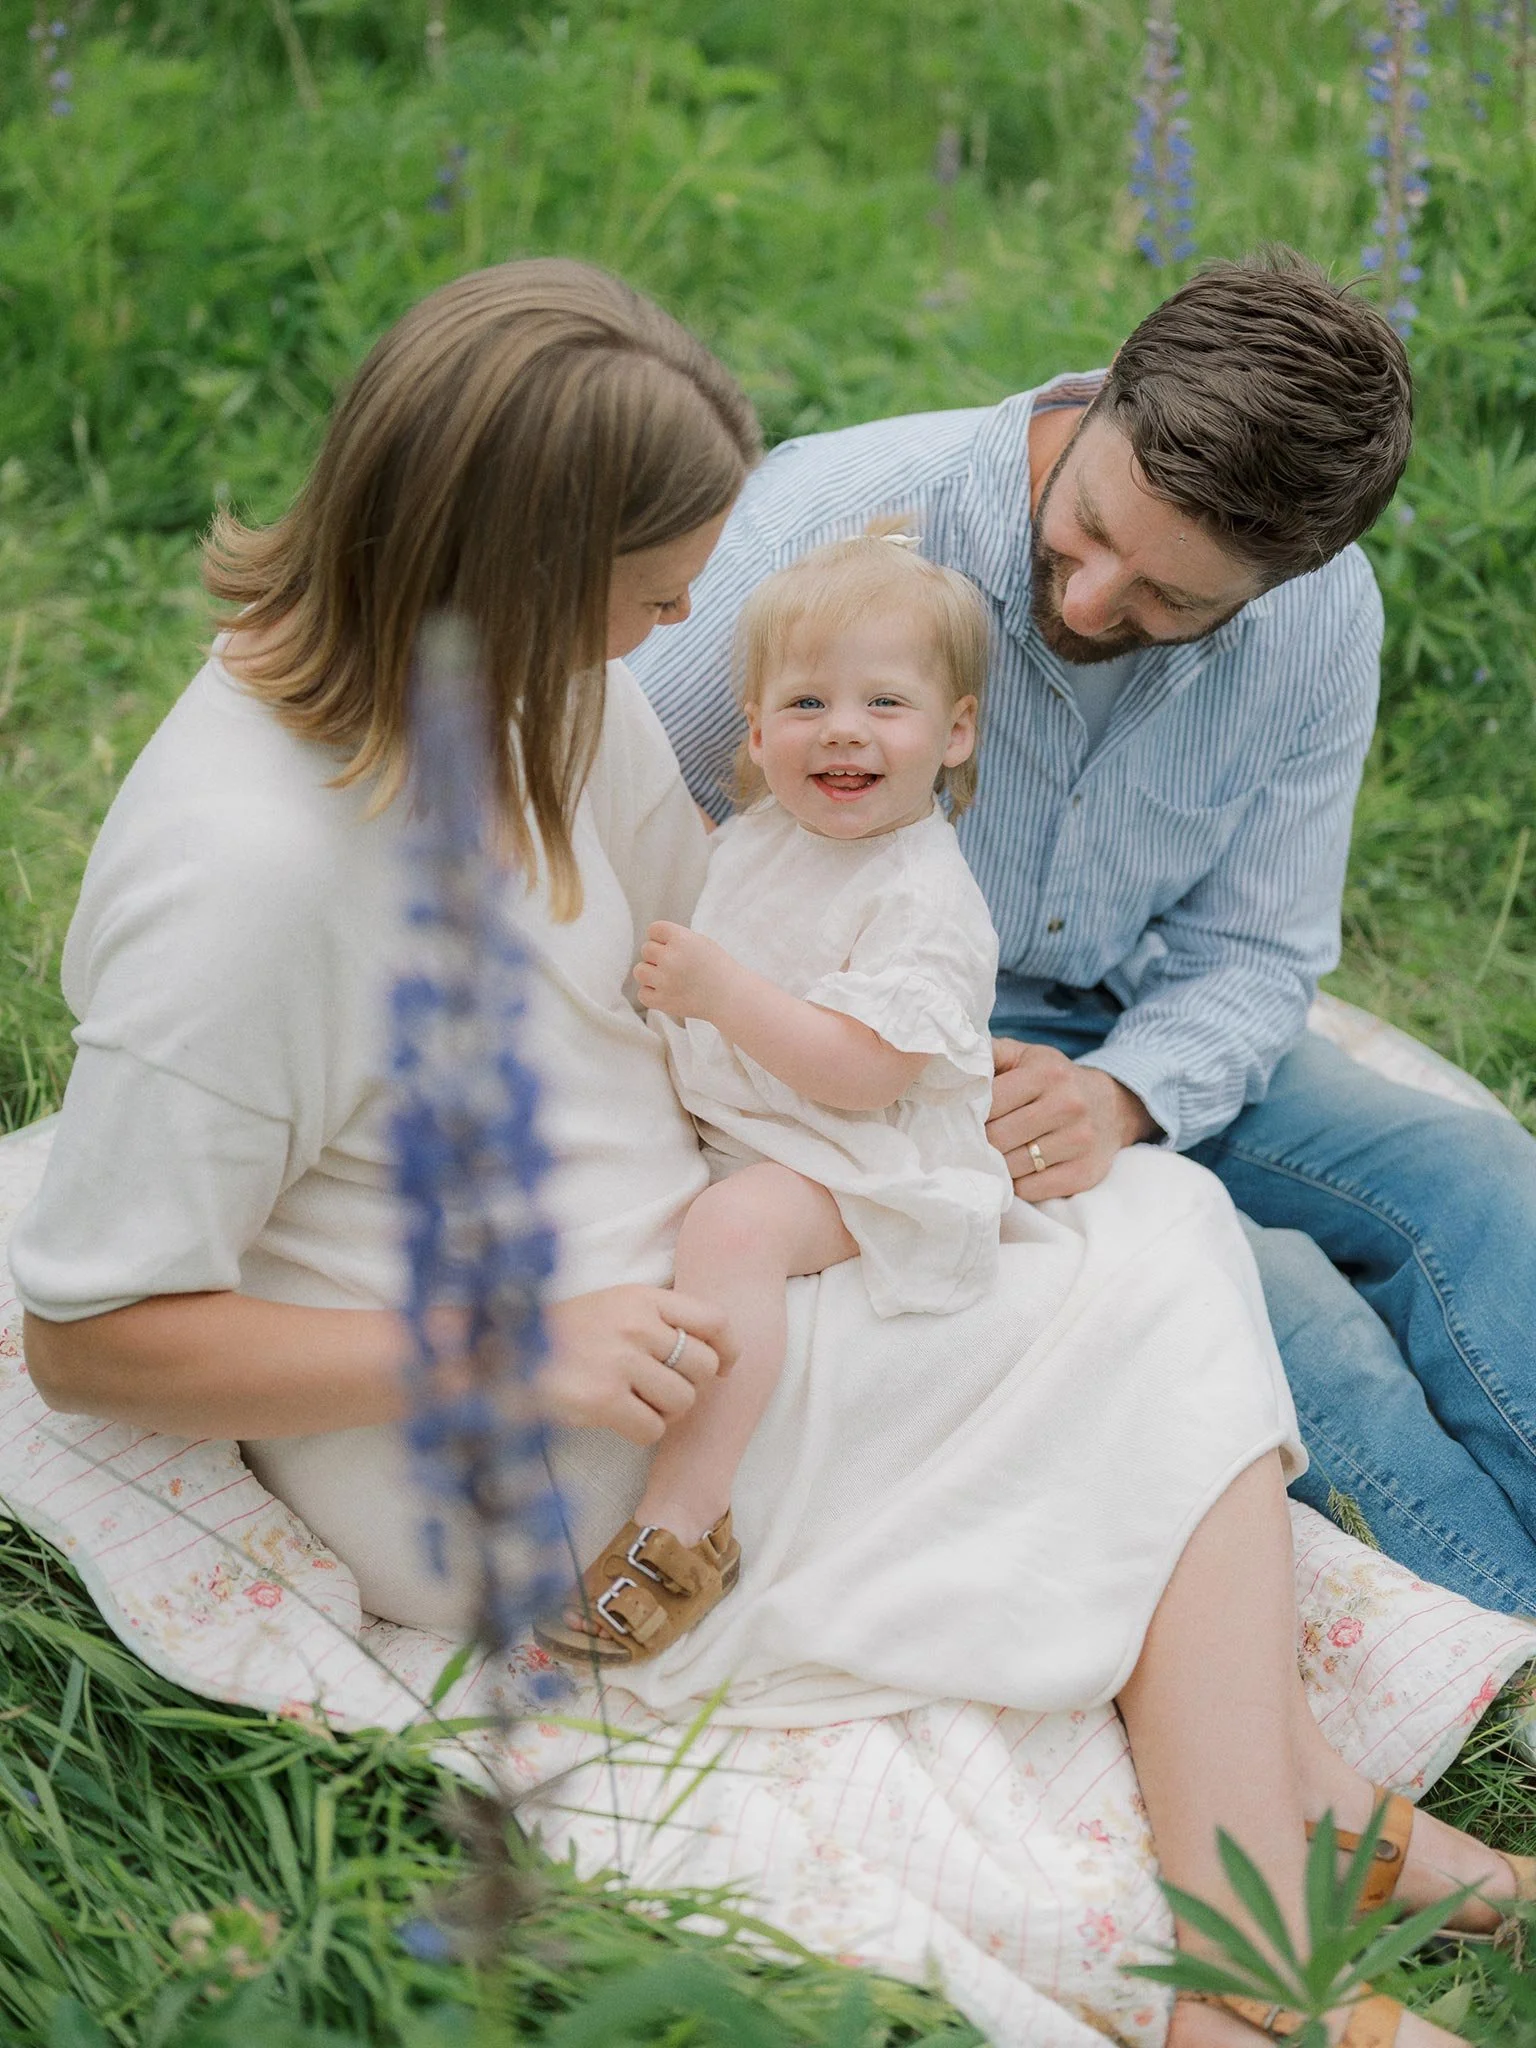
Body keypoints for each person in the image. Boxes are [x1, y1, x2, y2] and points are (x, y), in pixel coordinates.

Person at [3, 258, 1521, 2048]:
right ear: (518, 553)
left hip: (679, 1278)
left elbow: (711, 962)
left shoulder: (525, 686)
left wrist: (885, 1125)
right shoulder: (250, 874)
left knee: (1159, 1221)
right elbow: (88, 1339)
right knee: (1171, 1297)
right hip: (518, 1428)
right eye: (651, 594)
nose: (669, 639)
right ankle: (1256, 1987)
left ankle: (1297, 1823)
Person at [629, 247, 1536, 1620]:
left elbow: (1256, 954)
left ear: (1289, 573)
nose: (1097, 602)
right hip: (898, 1062)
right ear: (1107, 391)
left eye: (1173, 600)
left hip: (1130, 1028)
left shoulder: (1322, 621)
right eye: (1093, 530)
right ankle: (1510, 1627)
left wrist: (1123, 1096)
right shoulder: (830, 524)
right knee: (1286, 1304)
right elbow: (588, 807)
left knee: (1473, 1172)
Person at [535, 531, 1012, 1666]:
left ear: (954, 733)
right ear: (754, 732)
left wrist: (722, 993)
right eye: (807, 700)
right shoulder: (764, 833)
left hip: (860, 1160)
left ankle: (685, 1521)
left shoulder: (925, 897)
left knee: (734, 1224)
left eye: (885, 702)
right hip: (746, 1117)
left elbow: (861, 1070)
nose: (843, 727)